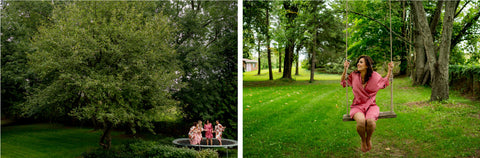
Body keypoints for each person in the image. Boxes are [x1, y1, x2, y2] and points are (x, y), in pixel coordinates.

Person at [341, 55, 393, 152]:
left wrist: (390, 70)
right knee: (361, 122)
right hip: (357, 105)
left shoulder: (375, 76)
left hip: (371, 105)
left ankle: (368, 139)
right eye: (358, 62)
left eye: (361, 62)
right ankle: (363, 140)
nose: (358, 64)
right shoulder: (354, 75)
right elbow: (343, 81)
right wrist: (345, 69)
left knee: (370, 122)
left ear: (367, 65)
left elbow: (384, 82)